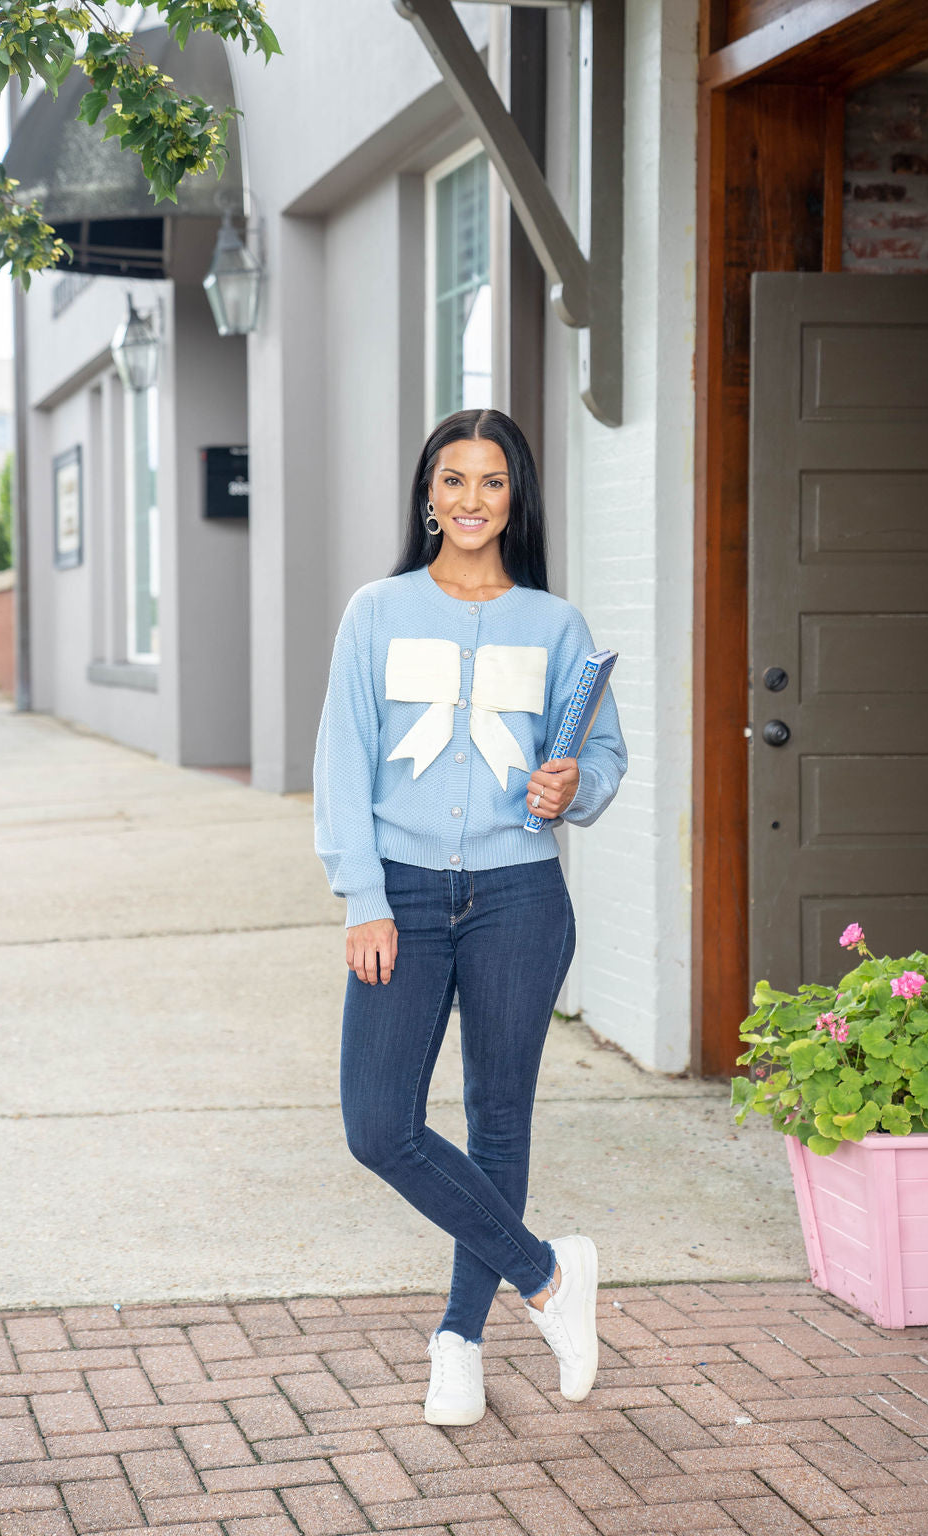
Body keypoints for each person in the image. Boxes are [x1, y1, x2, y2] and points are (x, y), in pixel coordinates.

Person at [313, 408, 627, 1427]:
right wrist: (363, 897)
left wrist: (568, 784)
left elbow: (601, 760)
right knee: (379, 1126)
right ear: (427, 495)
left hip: (519, 898)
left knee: (498, 1119)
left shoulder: (554, 624)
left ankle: (459, 1340)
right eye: (453, 479)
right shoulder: (377, 610)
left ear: (515, 498)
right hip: (399, 894)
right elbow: (341, 764)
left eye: (492, 482)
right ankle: (546, 1276)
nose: (471, 500)